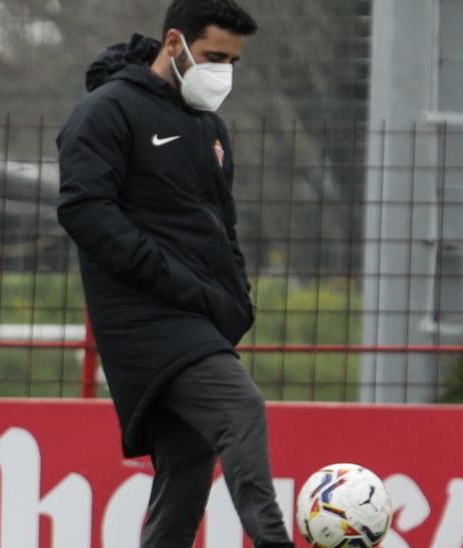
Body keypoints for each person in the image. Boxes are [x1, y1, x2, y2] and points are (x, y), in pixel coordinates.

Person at [55, 1, 292, 546]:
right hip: (144, 317)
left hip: (196, 315)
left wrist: (236, 297)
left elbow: (221, 225)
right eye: (212, 56)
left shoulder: (208, 126)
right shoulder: (106, 111)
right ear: (172, 44)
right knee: (241, 409)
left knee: (186, 467)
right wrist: (171, 278)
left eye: (232, 61)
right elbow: (83, 210)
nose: (222, 72)